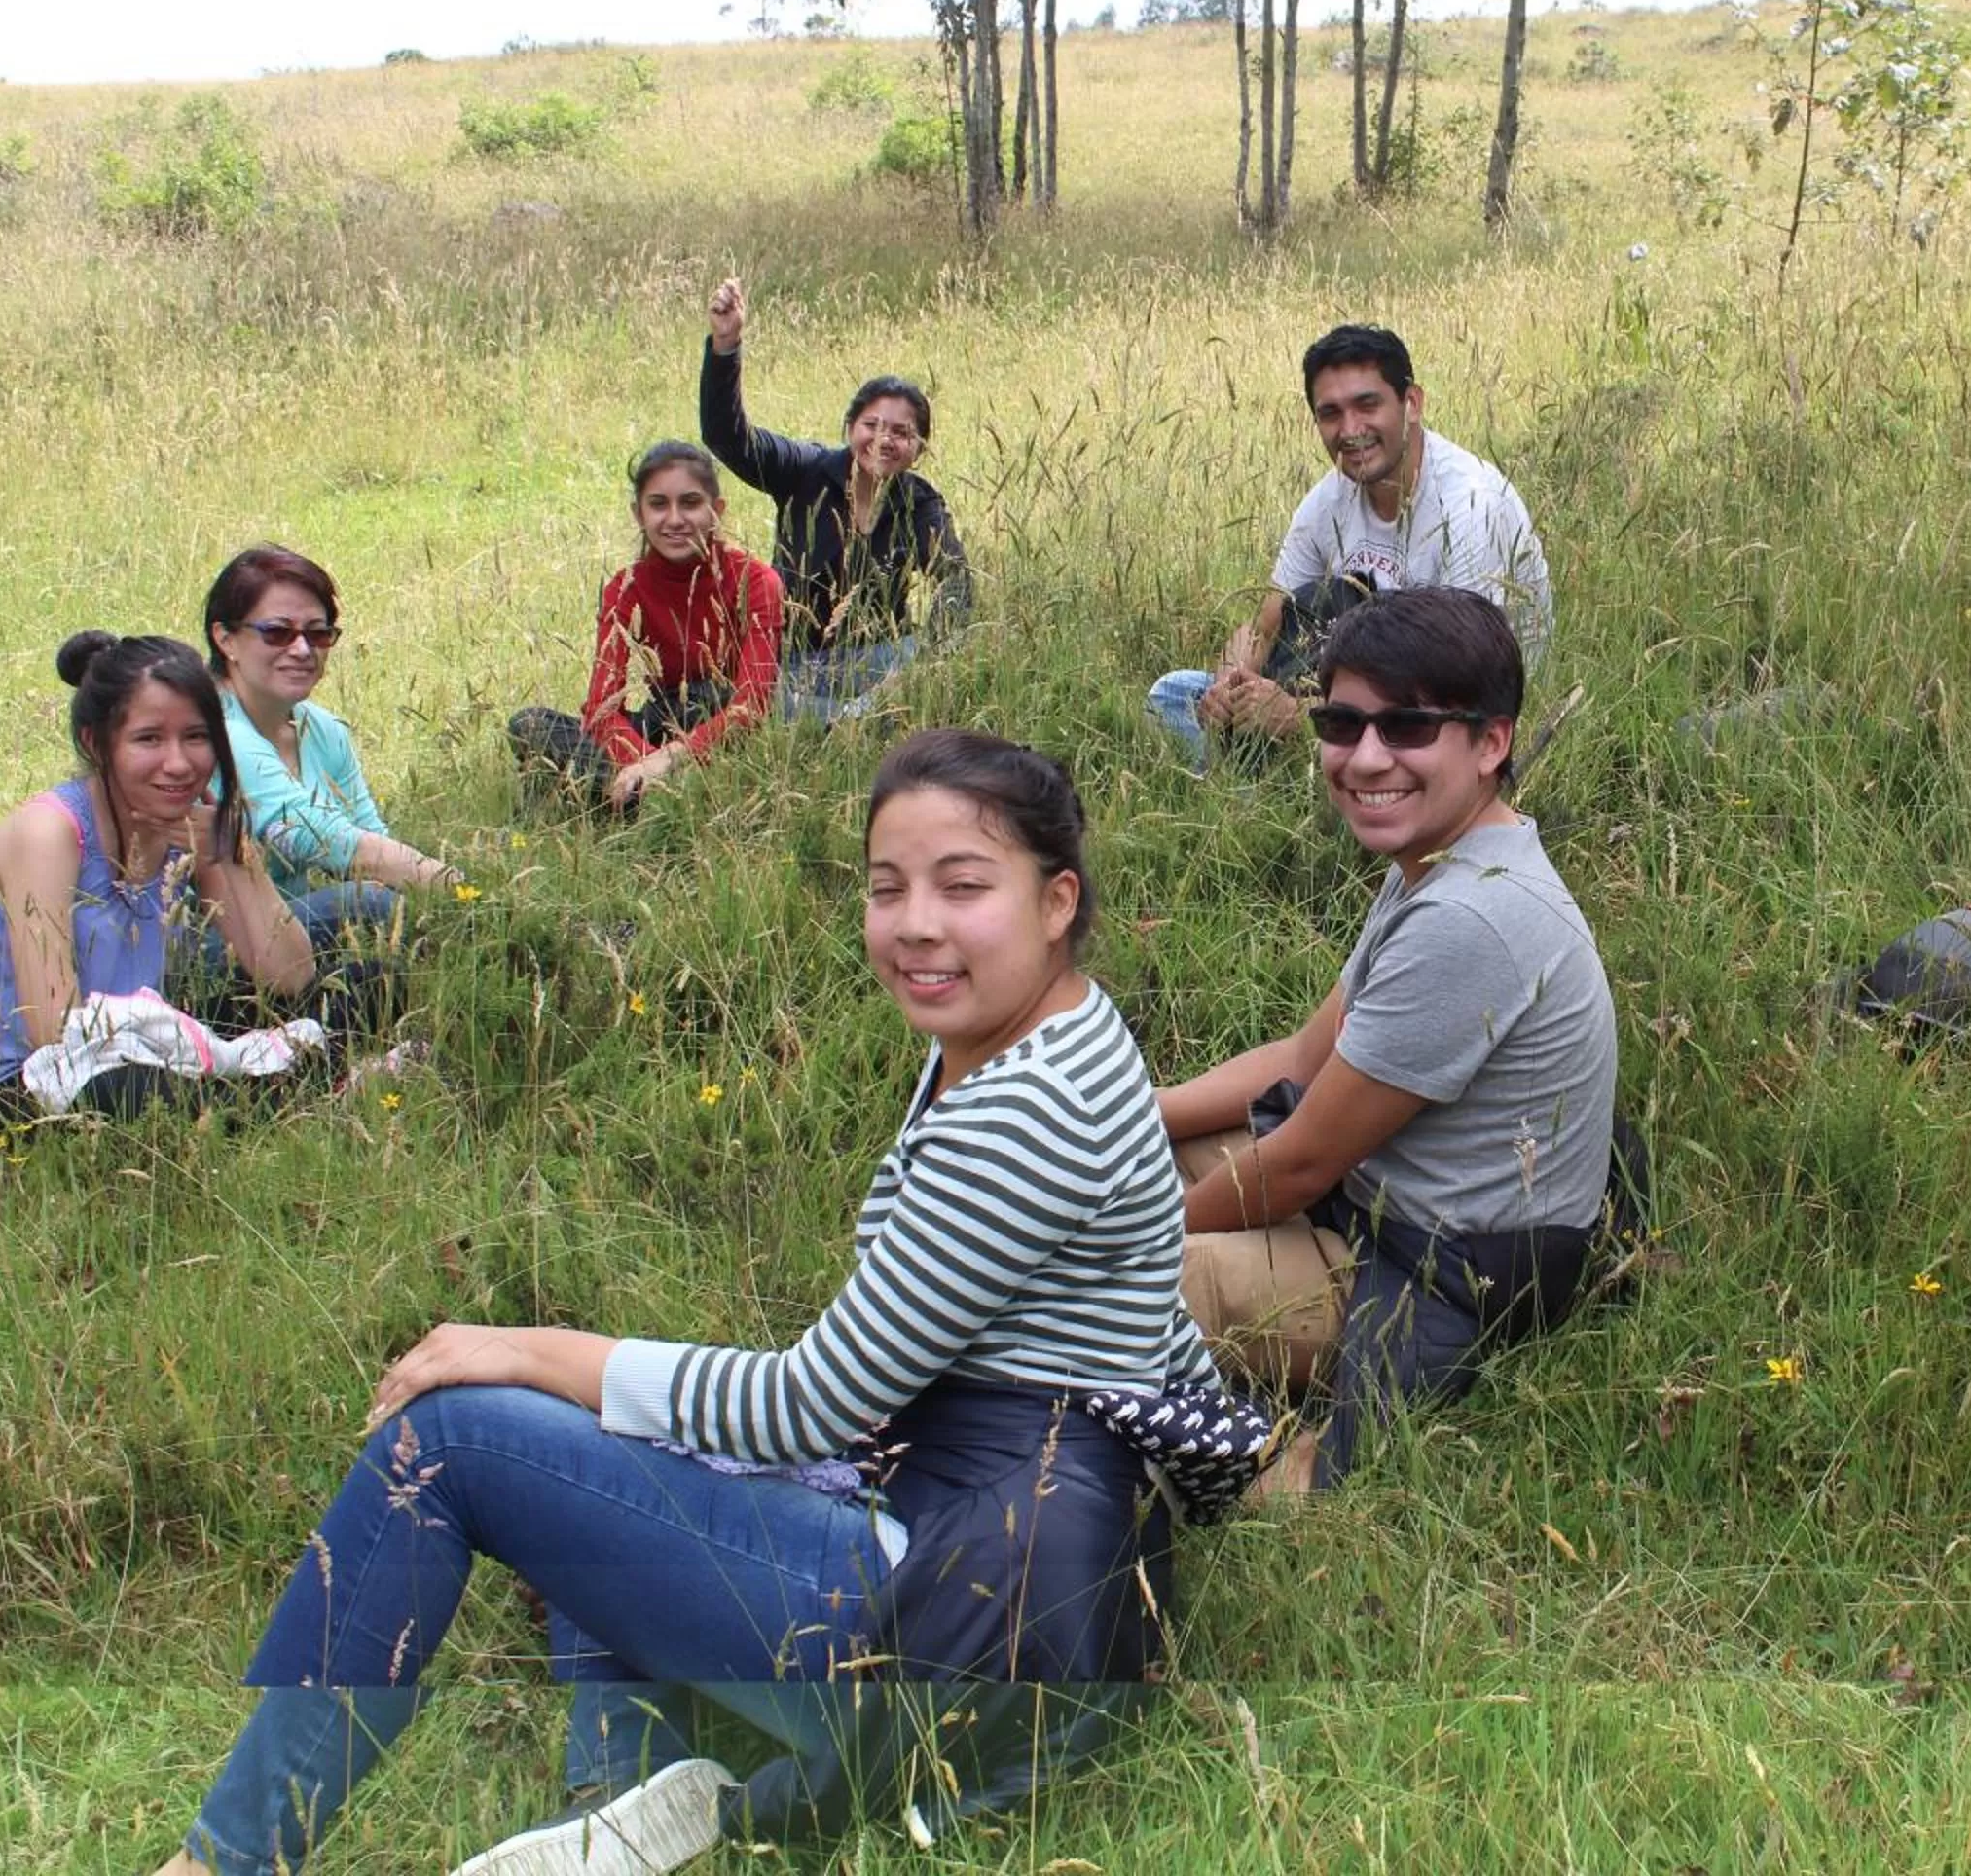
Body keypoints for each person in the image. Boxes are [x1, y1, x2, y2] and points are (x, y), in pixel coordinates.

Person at [152, 728, 1224, 1876]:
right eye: (886, 886)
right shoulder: (1043, 1029)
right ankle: (623, 1797)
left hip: (958, 1628)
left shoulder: (1027, 1110)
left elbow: (806, 1406)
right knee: (603, 1439)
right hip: (1017, 1564)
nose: (917, 922)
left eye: (964, 886)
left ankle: (223, 1861)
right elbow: (1136, 1312)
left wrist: (523, 1346)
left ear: (1057, 900)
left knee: (454, 1440)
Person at [1157, 589, 1617, 1490]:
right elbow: (1302, 1059)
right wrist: (1132, 1115)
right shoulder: (1441, 861)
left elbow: (1295, 1168)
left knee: (1091, 1291)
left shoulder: (1470, 918)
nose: (1366, 758)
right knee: (1120, 1162)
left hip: (1426, 1265)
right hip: (1373, 1197)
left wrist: (1125, 1245)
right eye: (1342, 722)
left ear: (1492, 742)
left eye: (1407, 727)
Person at [0, 632, 325, 1123]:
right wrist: (197, 1049)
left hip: (148, 1044)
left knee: (357, 986)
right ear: (97, 743)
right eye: (149, 738)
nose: (178, 764)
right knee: (130, 1090)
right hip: (24, 1091)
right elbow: (55, 1034)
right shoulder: (49, 833)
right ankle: (294, 1097)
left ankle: (262, 1099)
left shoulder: (191, 821)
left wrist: (232, 854)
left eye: (196, 737)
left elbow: (290, 977)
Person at [1147, 324, 1551, 771]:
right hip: (1347, 697)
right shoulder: (1328, 499)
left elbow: (1455, 688)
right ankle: (1261, 783)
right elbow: (1264, 625)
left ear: (1411, 404)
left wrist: (1300, 718)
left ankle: (1267, 790)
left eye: (1367, 405)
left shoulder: (1471, 508)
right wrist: (1229, 685)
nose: (1350, 430)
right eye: (1331, 413)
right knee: (1174, 693)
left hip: (1447, 716)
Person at [701, 275, 970, 721]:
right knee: (756, 691)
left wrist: (929, 660)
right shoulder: (805, 470)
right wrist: (725, 346)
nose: (883, 440)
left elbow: (957, 579)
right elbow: (728, 438)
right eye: (871, 425)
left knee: (921, 655)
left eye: (901, 433)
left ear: (918, 449)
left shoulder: (918, 504)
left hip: (877, 664)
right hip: (794, 665)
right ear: (850, 428)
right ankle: (848, 719)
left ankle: (856, 714)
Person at [197, 544, 460, 962]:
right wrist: (464, 894)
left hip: (285, 940)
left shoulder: (322, 729)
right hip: (204, 948)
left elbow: (370, 834)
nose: (302, 650)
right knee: (369, 908)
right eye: (278, 632)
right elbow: (327, 842)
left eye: (318, 634)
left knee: (381, 934)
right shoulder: (213, 731)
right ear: (225, 639)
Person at [507, 441, 785, 809]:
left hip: (724, 731)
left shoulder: (755, 579)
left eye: (690, 503)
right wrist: (642, 763)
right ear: (639, 514)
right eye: (658, 505)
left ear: (716, 510)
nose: (674, 519)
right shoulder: (626, 587)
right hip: (661, 724)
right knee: (529, 724)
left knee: (708, 697)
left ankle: (627, 801)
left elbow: (751, 703)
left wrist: (669, 759)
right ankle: (667, 801)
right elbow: (601, 707)